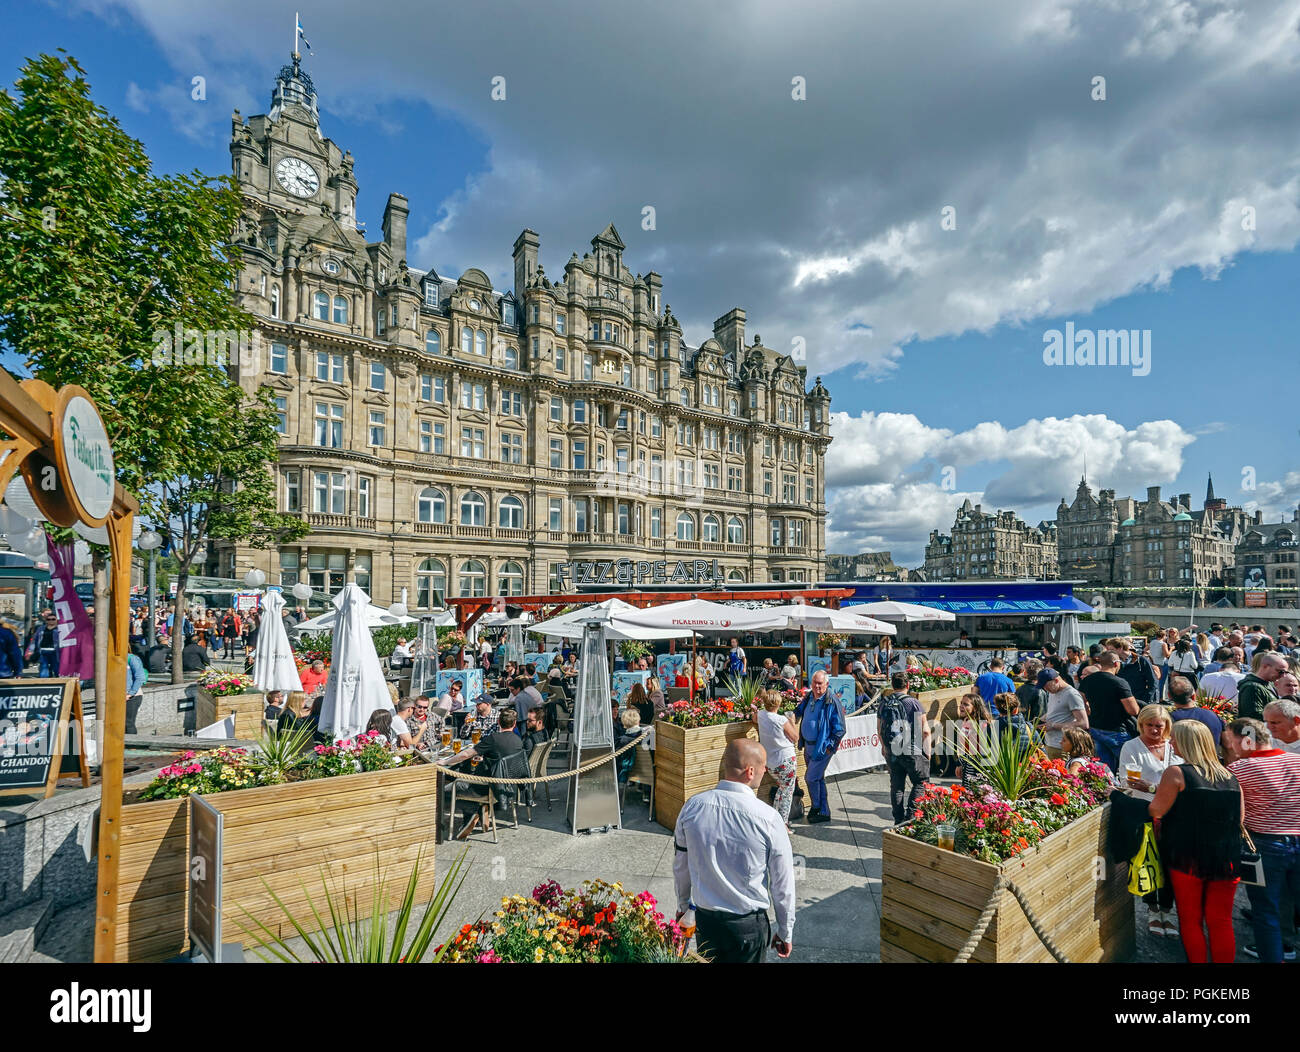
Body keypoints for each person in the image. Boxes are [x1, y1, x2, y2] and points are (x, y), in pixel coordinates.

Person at [672, 738, 795, 962]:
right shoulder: (768, 818)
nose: (765, 771)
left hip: (706, 920)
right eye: (763, 766)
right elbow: (782, 883)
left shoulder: (692, 807)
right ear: (750, 771)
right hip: (747, 927)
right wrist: (785, 930)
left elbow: (681, 864)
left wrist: (682, 906)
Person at [1147, 720, 1243, 961]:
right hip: (1226, 859)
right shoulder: (1231, 775)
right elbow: (1240, 818)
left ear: (1188, 743)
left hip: (1187, 856)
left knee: (1191, 920)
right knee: (1221, 921)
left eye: (1176, 739)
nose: (1171, 742)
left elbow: (1156, 811)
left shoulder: (1177, 773)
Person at [1223, 717, 1300, 961]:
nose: (1231, 747)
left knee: (1266, 911)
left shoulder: (1238, 770)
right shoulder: (1297, 761)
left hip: (1264, 846)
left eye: (1232, 740)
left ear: (1246, 740)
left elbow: (1232, 812)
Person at [1118, 704, 1182, 937]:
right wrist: (1154, 789)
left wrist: (1154, 787)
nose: (1154, 730)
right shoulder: (1131, 746)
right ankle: (1153, 909)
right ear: (1141, 725)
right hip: (1144, 810)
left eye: (1159, 725)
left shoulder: (1173, 746)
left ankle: (1167, 909)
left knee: (1169, 861)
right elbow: (1128, 781)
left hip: (1174, 812)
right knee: (1147, 860)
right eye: (1149, 725)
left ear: (1167, 726)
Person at [878, 671, 930, 825]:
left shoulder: (884, 702)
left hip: (892, 750)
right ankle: (910, 817)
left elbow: (879, 729)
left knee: (897, 785)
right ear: (908, 685)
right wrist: (927, 753)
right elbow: (926, 731)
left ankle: (898, 819)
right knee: (921, 781)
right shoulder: (914, 703)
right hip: (911, 749)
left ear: (892, 686)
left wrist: (884, 747)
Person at [795, 670, 845, 825]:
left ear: (827, 684)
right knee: (817, 779)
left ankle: (816, 807)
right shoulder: (809, 696)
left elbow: (840, 729)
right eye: (815, 683)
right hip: (808, 746)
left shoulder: (832, 701)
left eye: (820, 683)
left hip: (821, 747)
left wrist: (828, 747)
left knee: (810, 778)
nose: (817, 686)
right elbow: (798, 711)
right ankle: (824, 811)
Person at [1078, 651, 1137, 770]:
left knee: (1104, 769)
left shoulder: (1087, 680)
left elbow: (1082, 703)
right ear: (1116, 663)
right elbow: (1133, 710)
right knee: (1129, 767)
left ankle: (1108, 788)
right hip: (1117, 730)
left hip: (1096, 728)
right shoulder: (1119, 682)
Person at [753, 689, 799, 831]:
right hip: (786, 761)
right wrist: (792, 721)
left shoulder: (760, 715)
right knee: (786, 793)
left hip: (770, 763)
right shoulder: (782, 720)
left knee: (782, 790)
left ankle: (775, 820)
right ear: (778, 703)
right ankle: (782, 825)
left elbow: (753, 717)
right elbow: (795, 737)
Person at [1038, 668, 1088, 761]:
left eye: (1046, 686)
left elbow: (1083, 723)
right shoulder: (1053, 691)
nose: (1045, 689)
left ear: (1056, 680)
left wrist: (1053, 726)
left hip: (1062, 747)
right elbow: (1054, 711)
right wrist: (1039, 720)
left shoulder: (1071, 694)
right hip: (1049, 743)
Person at [1166, 674, 1224, 746]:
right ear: (1194, 696)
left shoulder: (1169, 720)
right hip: (1212, 756)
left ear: (1169, 696)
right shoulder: (1212, 715)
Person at [1237, 652, 1286, 720]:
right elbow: (1253, 716)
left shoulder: (1269, 683)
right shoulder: (1252, 688)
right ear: (1266, 667)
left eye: (1285, 672)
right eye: (1280, 671)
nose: (1283, 676)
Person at [615, 709, 645, 782]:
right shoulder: (648, 736)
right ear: (638, 720)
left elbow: (617, 759)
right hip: (646, 770)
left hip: (629, 771)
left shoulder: (622, 740)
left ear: (624, 722)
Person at [28, 610, 60, 678]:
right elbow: (34, 640)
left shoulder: (59, 629)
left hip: (55, 652)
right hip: (43, 651)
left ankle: (59, 684)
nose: (51, 621)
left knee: (57, 669)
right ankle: (44, 685)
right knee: (43, 670)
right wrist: (30, 650)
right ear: (46, 620)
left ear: (56, 620)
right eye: (48, 619)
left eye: (53, 619)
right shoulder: (41, 628)